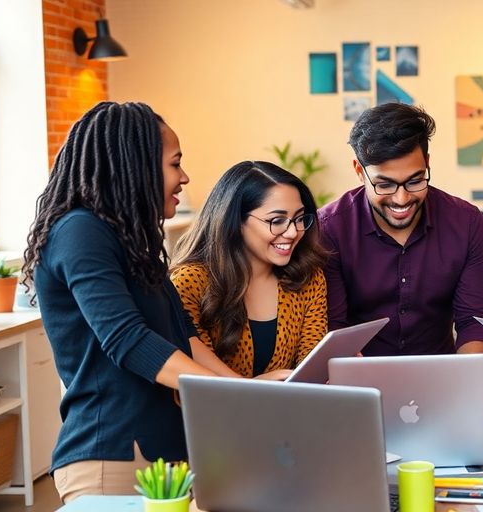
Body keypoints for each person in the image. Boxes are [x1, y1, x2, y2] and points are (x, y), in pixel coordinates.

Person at [21, 102, 243, 502]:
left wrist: (244, 391)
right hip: (115, 453)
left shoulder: (131, 242)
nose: (184, 177)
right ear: (136, 164)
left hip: (165, 452)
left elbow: (183, 335)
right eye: (175, 164)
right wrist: (222, 392)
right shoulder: (79, 231)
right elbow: (127, 339)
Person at [318, 103, 483, 356]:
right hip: (358, 374)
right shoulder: (330, 229)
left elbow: (473, 321)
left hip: (440, 372)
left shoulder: (466, 223)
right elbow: (333, 326)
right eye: (384, 185)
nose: (401, 199)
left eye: (415, 181)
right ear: (359, 171)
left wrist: (466, 371)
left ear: (427, 163)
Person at [172, 161, 329, 377]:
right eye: (277, 220)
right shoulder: (190, 281)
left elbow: (310, 368)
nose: (293, 232)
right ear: (236, 220)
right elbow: (200, 379)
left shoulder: (307, 277)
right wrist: (256, 388)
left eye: (300, 218)